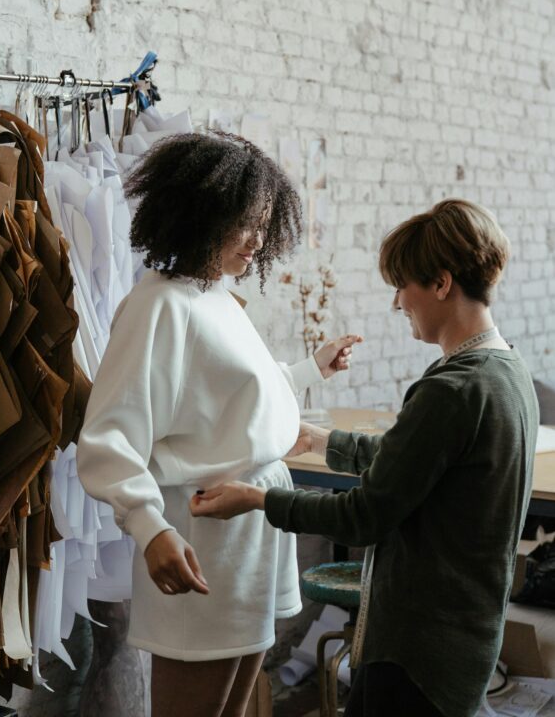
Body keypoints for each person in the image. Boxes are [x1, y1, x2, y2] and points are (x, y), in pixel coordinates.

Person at [192, 199, 539, 717]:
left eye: (403, 286)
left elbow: (363, 516)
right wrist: (321, 440)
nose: (399, 302)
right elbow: (419, 465)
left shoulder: (452, 388)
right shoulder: (508, 372)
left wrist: (257, 499)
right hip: (467, 635)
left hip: (418, 650)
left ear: (441, 283)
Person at [76, 132, 362, 717]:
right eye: (244, 224)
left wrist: (309, 368)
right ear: (202, 215)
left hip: (252, 532)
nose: (257, 240)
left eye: (264, 224)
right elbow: (109, 434)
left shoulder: (216, 297)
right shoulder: (159, 305)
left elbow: (227, 392)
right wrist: (150, 527)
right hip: (202, 538)